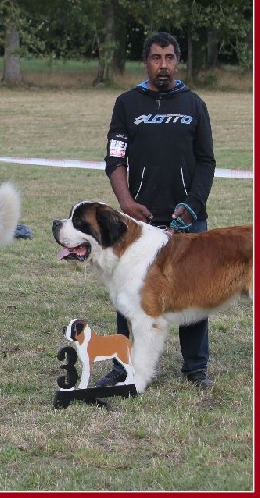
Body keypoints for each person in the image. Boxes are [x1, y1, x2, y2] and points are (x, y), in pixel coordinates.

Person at [99, 31, 216, 388]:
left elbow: (206, 161)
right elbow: (115, 159)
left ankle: (196, 368)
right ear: (146, 62)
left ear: (177, 61)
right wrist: (125, 203)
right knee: (128, 292)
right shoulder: (127, 104)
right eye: (155, 58)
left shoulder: (194, 104)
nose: (162, 65)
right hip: (138, 220)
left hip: (187, 218)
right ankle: (123, 365)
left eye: (168, 57)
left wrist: (193, 205)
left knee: (193, 291)